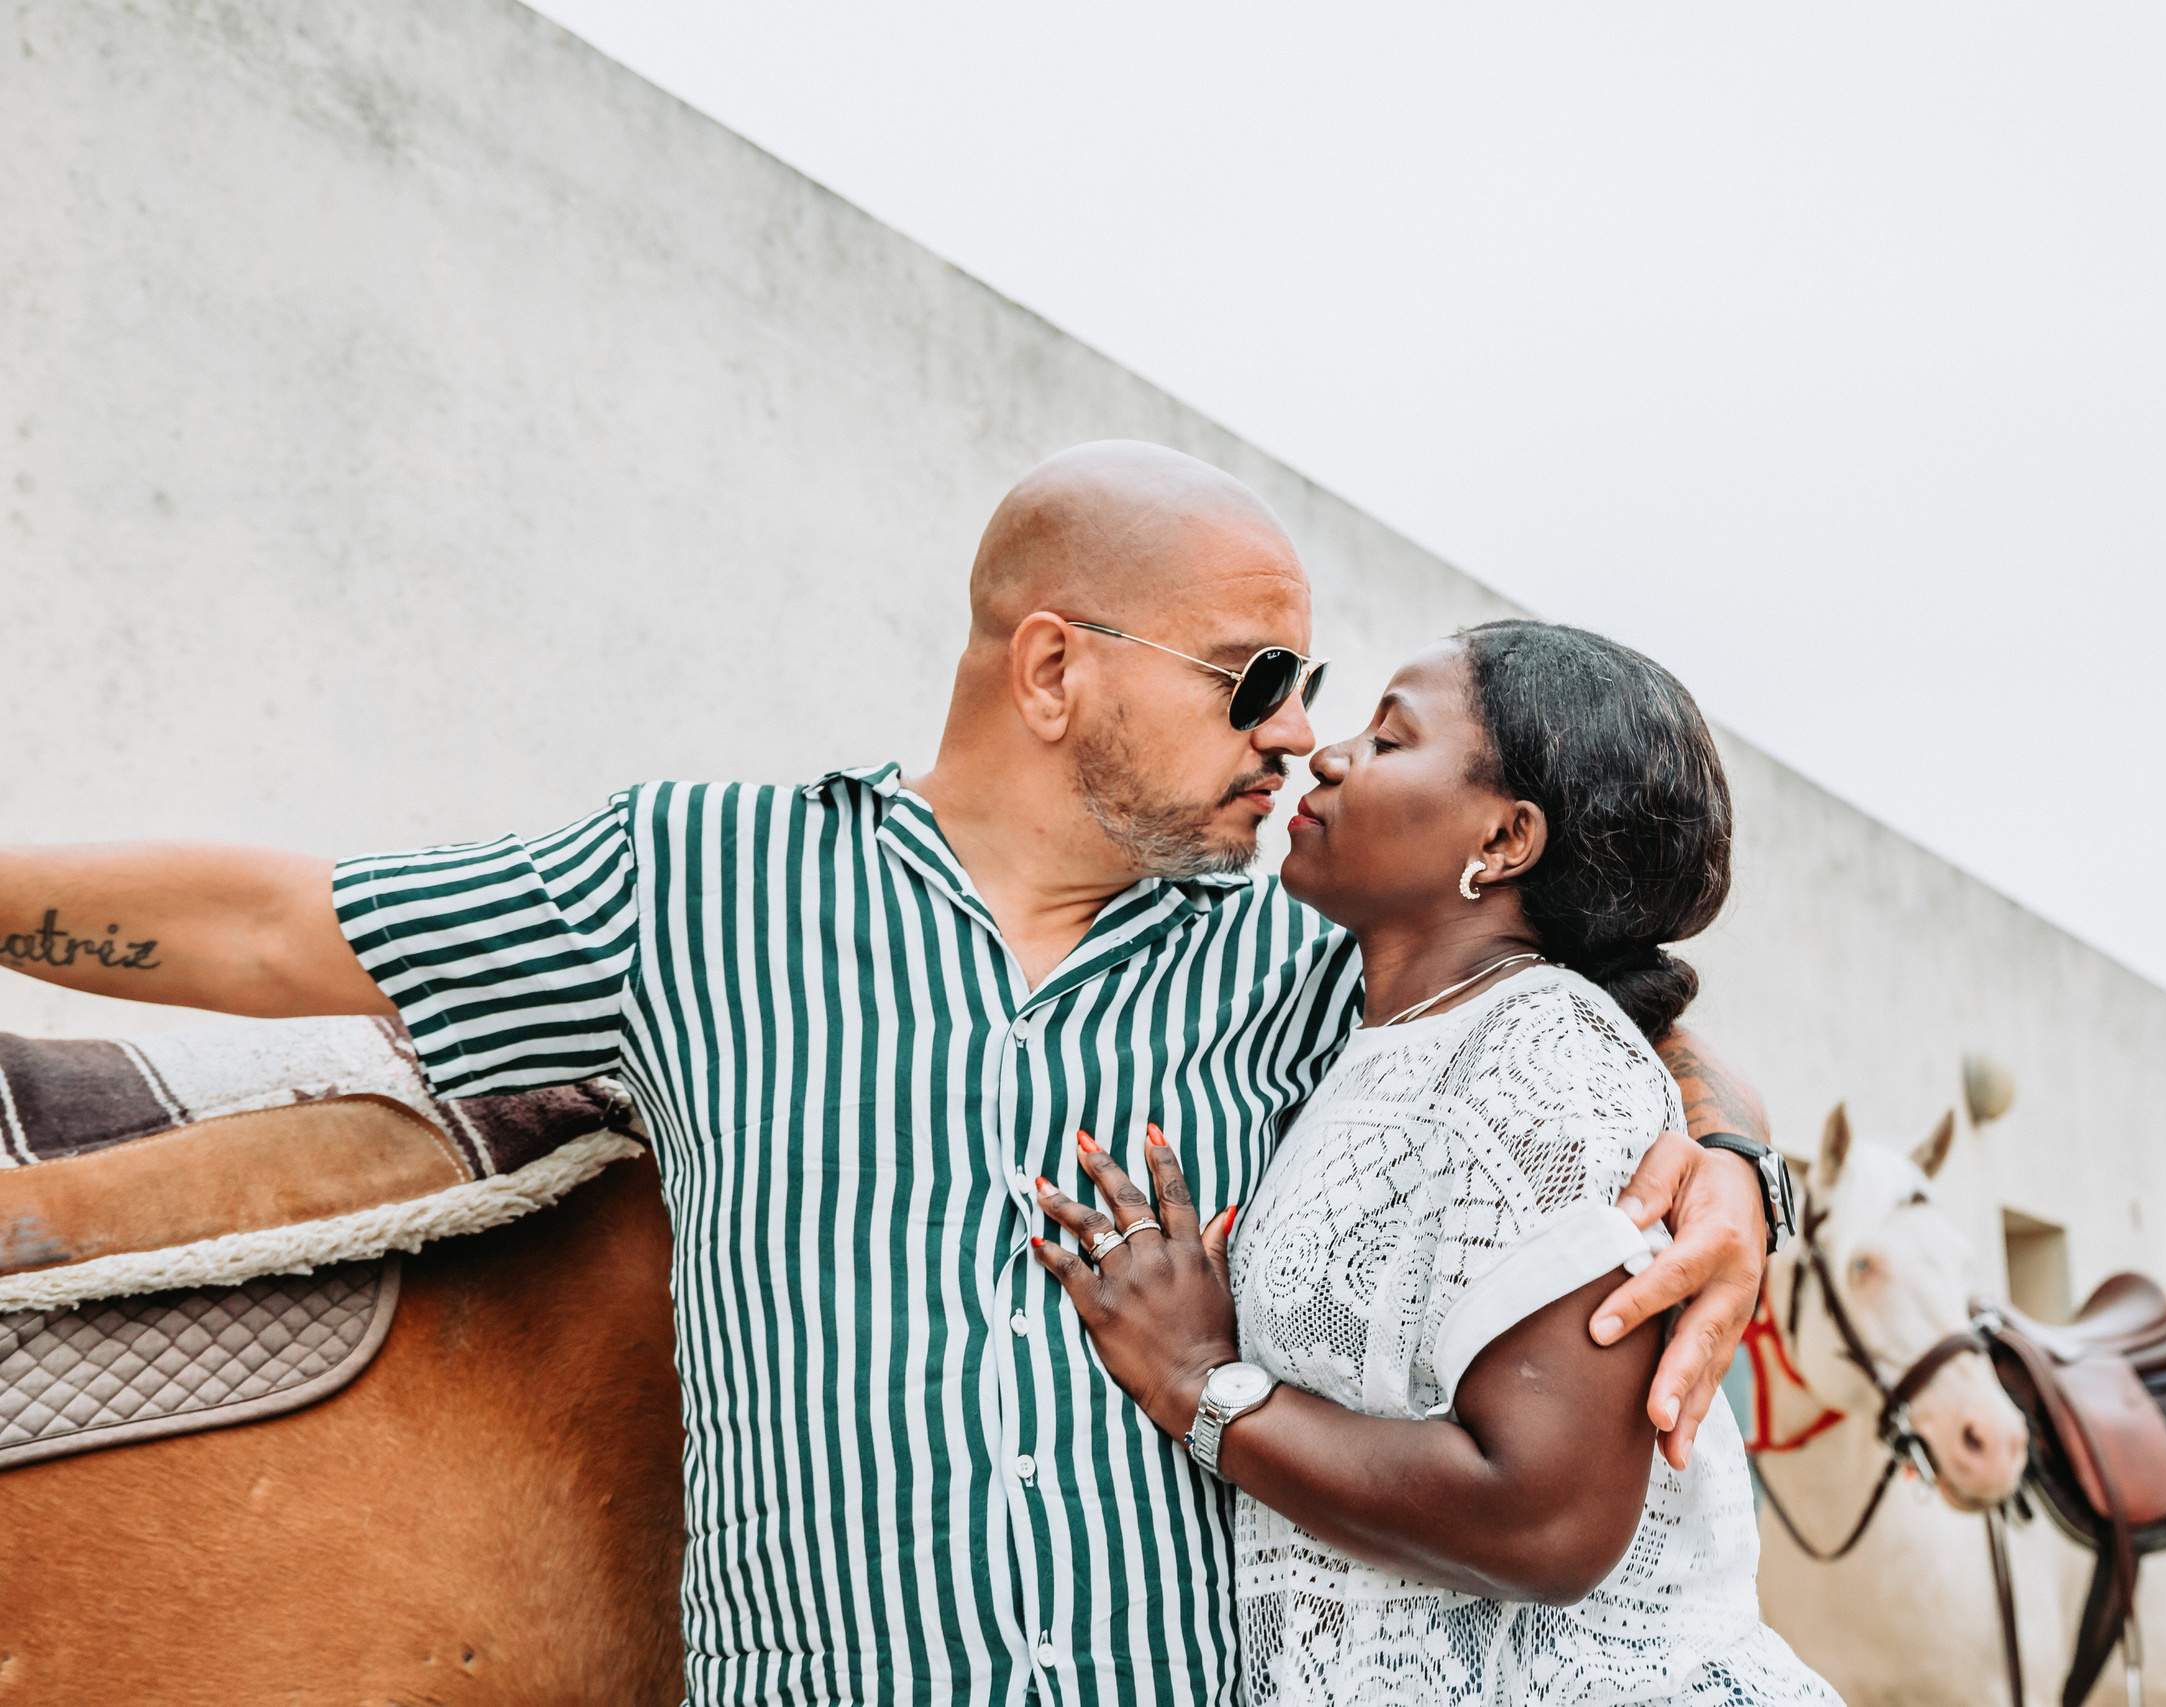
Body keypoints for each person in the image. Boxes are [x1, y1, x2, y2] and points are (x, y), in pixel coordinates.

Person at [0, 443, 1781, 1707]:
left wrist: (1726, 1166)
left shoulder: (1305, 960)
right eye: (1254, 680)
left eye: (1310, 687)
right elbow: (269, 925)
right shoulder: (692, 885)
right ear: (1056, 668)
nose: (1296, 733)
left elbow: (1589, 1012)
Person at [1032, 621, 1835, 1705]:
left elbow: (1547, 1521)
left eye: (1389, 737)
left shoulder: (1541, 1046)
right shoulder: (1376, 1032)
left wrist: (1198, 1387)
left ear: (1504, 840)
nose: (1326, 752)